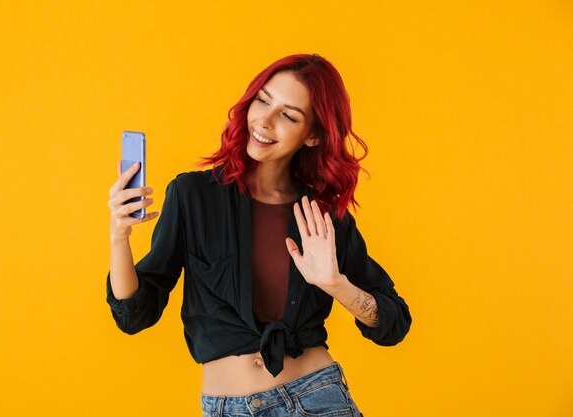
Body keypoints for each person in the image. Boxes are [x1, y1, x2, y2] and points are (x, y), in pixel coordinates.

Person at [106, 53, 412, 417]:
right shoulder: (193, 195)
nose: (264, 121)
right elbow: (135, 315)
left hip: (316, 399)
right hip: (227, 407)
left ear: (313, 135)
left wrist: (335, 284)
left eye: (288, 115)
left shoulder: (324, 216)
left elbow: (394, 322)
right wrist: (119, 237)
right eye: (263, 100)